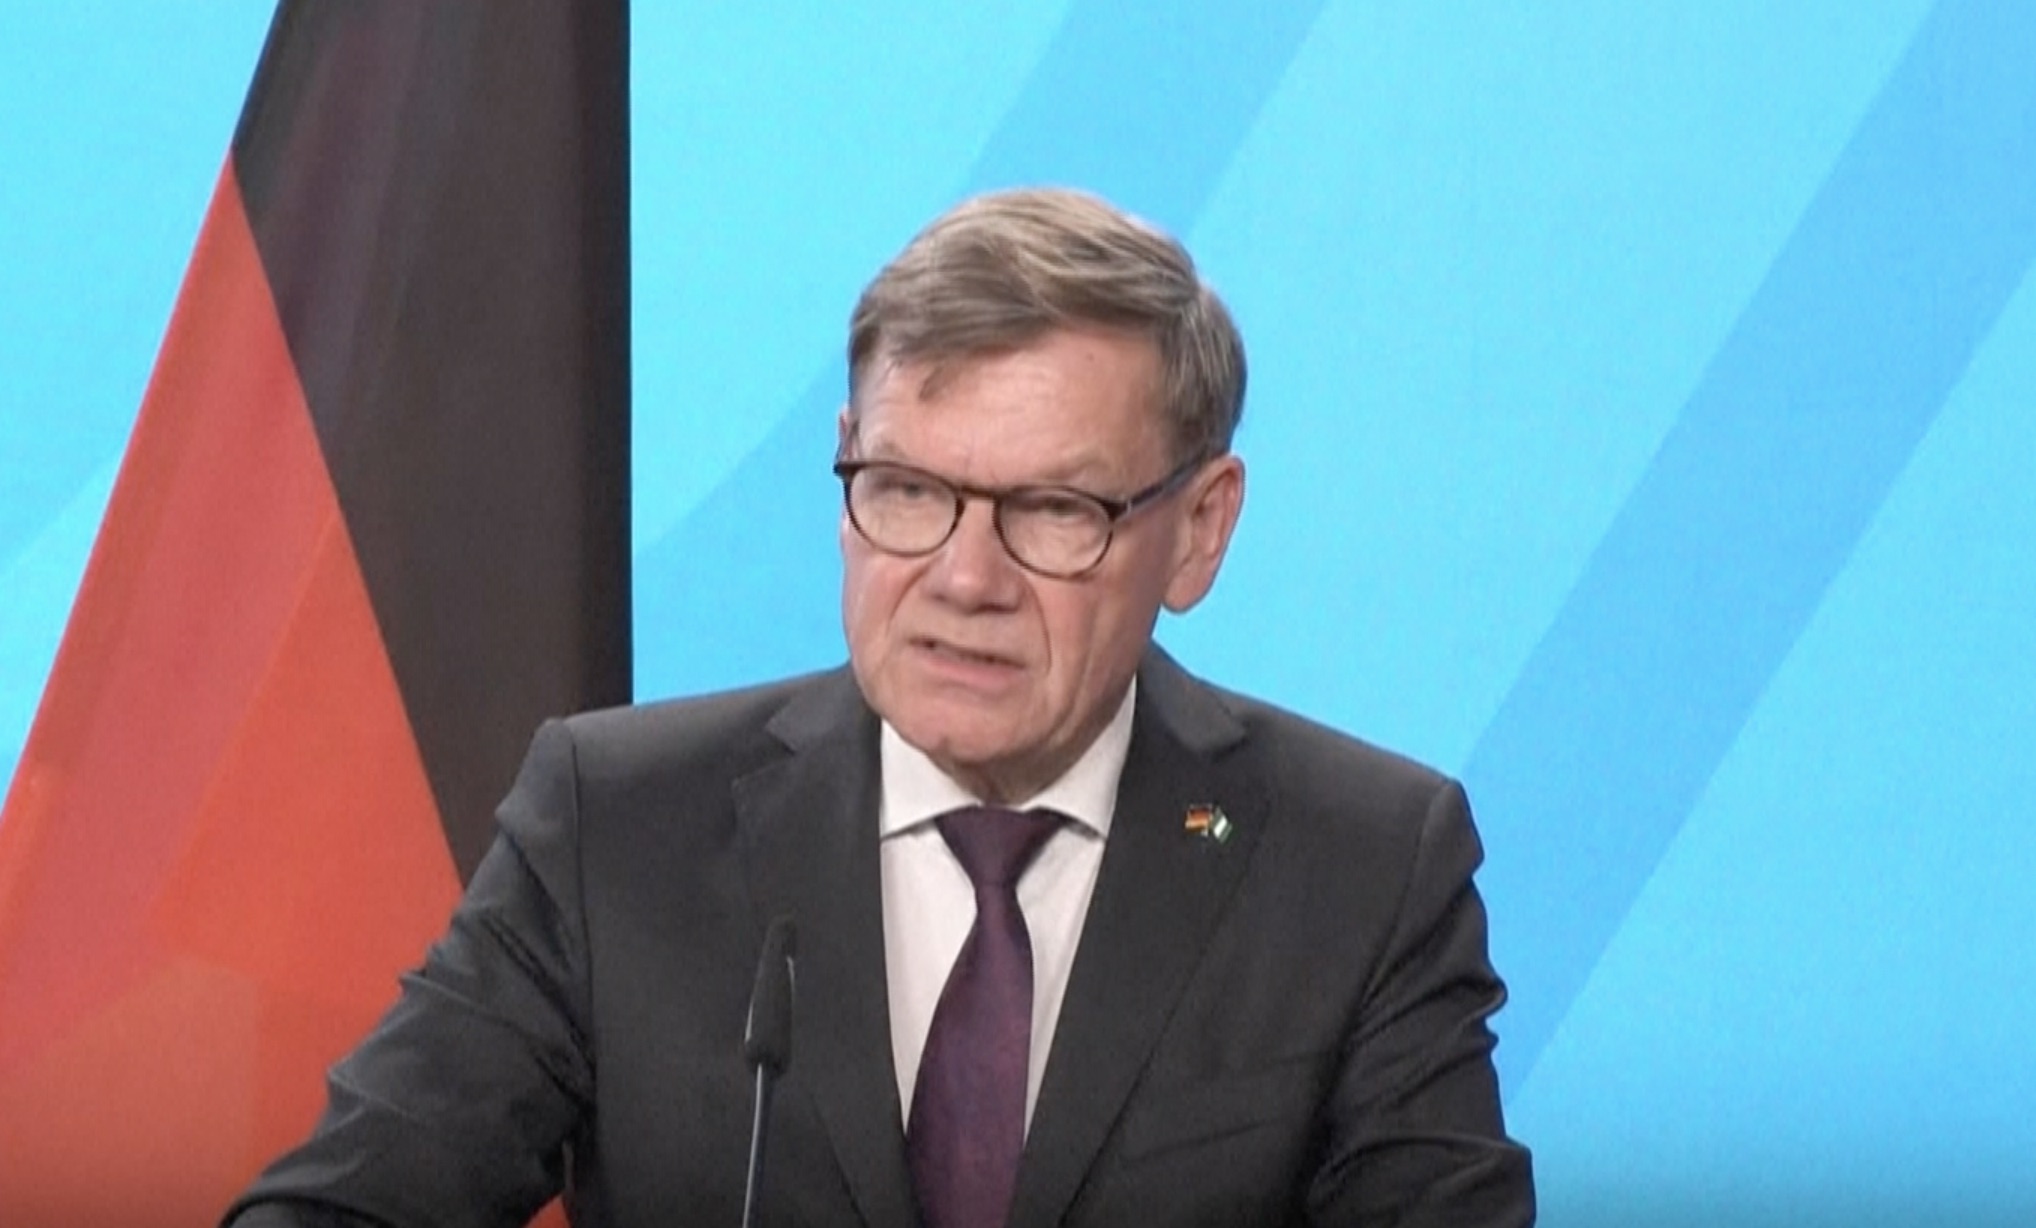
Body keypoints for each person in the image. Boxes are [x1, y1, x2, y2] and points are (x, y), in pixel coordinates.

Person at [226, 187, 1534, 1227]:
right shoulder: (616, 824)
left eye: (1053, 509)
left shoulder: (1360, 867)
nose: (965, 579)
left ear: (1198, 530)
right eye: (908, 490)